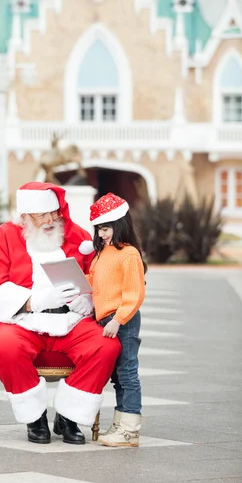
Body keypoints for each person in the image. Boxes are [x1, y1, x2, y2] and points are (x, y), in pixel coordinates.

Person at [0, 182, 121, 445]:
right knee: (7, 346)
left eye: (53, 213)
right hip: (22, 320)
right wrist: (35, 300)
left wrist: (90, 299)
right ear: (24, 217)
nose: (50, 220)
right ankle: (35, 417)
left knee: (106, 345)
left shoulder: (76, 236)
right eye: (41, 215)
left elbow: (100, 274)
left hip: (71, 320)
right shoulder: (3, 237)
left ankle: (68, 416)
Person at [86, 192, 146, 447]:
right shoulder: (102, 253)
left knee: (128, 373)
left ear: (119, 224)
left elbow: (134, 294)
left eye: (106, 228)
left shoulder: (129, 254)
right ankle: (121, 423)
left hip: (123, 321)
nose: (101, 234)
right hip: (106, 320)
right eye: (99, 229)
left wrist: (118, 320)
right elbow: (94, 282)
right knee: (117, 376)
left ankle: (130, 429)